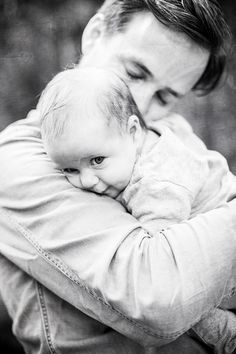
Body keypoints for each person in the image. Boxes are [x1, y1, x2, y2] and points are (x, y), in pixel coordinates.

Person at [0, 0, 236, 352]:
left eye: (165, 96)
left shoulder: (165, 131)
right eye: (135, 72)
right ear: (94, 34)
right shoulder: (19, 158)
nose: (139, 104)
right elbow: (158, 292)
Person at [39, 66, 236, 353]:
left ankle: (229, 336)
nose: (85, 181)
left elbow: (160, 269)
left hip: (225, 268)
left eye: (96, 160)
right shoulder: (127, 151)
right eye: (69, 169)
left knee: (164, 297)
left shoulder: (158, 184)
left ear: (132, 131)